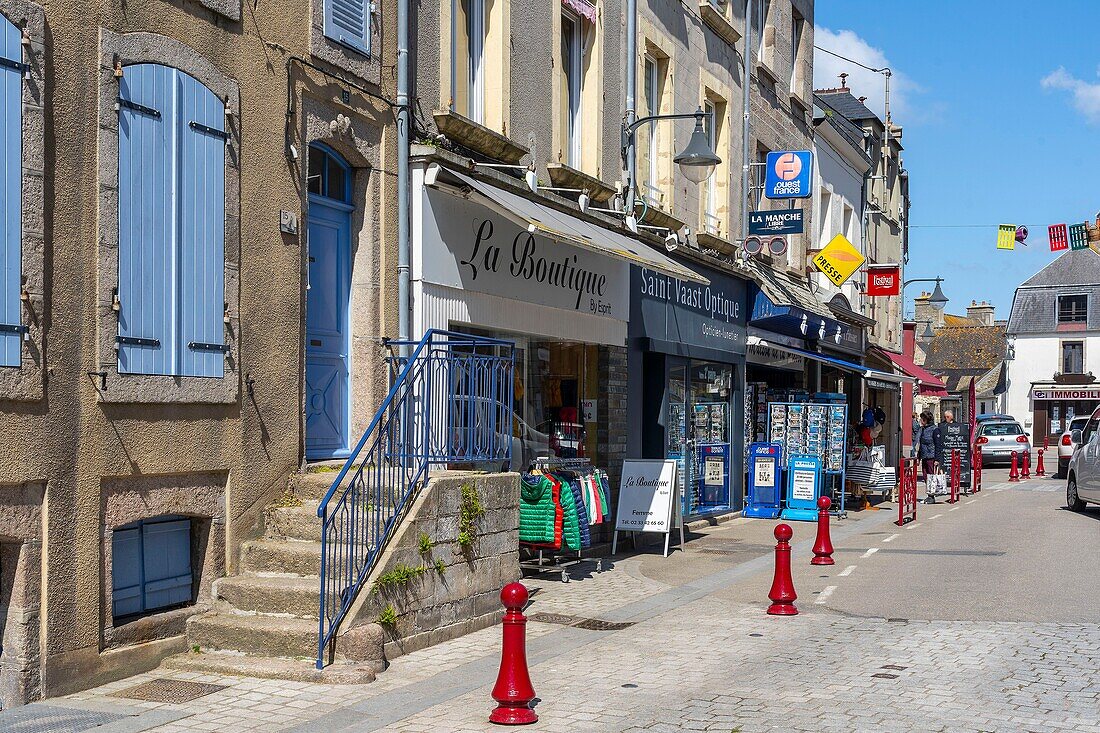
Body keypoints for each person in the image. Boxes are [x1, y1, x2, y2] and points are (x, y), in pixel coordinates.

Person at [915, 411, 943, 503]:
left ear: (926, 420)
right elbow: (921, 444)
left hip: (932, 457)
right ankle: (929, 495)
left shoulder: (935, 430)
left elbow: (938, 445)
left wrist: (937, 459)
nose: (920, 420)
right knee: (926, 476)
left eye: (922, 419)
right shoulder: (922, 429)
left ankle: (932, 496)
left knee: (932, 476)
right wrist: (919, 457)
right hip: (925, 456)